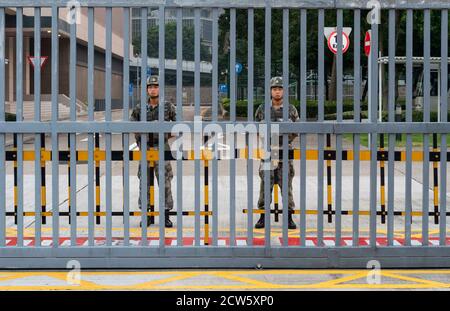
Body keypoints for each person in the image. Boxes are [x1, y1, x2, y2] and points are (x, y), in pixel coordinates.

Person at [130, 75, 176, 228]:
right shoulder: (139, 107)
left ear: (159, 89)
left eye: (155, 86)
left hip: (162, 148)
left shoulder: (168, 107)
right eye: (150, 87)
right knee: (145, 182)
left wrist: (166, 134)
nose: (153, 89)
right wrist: (140, 138)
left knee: (165, 183)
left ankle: (165, 216)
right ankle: (147, 215)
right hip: (145, 148)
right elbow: (131, 125)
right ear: (147, 90)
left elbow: (178, 125)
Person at [254, 76, 299, 229]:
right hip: (268, 153)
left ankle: (288, 218)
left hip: (285, 153)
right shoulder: (262, 109)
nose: (277, 92)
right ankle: (263, 217)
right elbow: (257, 129)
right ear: (270, 91)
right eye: (274, 89)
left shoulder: (291, 109)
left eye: (280, 89)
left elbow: (296, 130)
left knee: (286, 187)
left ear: (284, 91)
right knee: (265, 186)